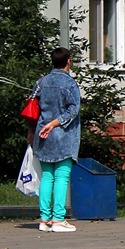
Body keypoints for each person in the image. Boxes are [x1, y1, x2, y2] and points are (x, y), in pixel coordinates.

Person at [34, 46, 81, 233]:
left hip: (42, 134)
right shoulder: (70, 84)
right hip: (64, 135)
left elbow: (33, 107)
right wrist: (55, 123)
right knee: (61, 176)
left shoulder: (41, 82)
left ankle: (44, 219)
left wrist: (32, 131)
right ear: (68, 61)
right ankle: (58, 219)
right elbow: (73, 110)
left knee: (47, 176)